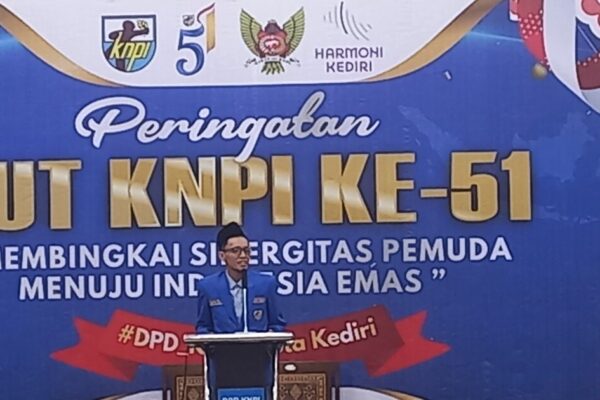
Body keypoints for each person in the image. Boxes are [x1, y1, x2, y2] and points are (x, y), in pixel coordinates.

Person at [195, 222, 286, 333]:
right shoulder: (208, 286)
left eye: (246, 251)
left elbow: (277, 325)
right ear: (222, 255)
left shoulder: (266, 284)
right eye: (235, 251)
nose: (243, 256)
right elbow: (203, 327)